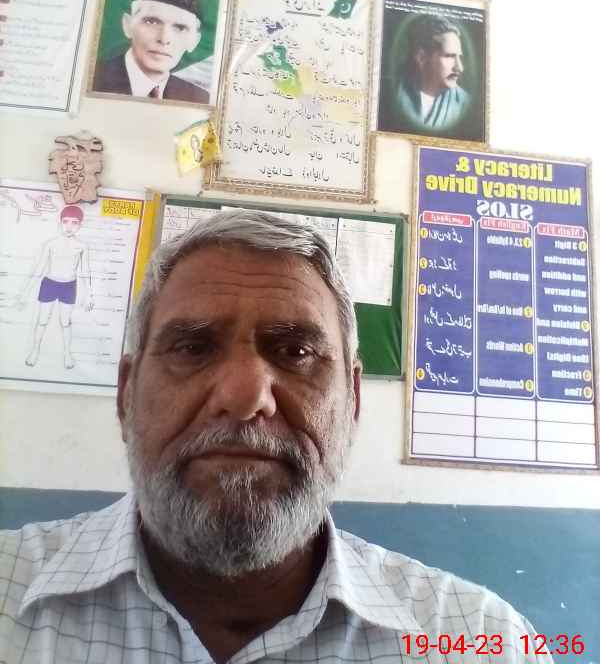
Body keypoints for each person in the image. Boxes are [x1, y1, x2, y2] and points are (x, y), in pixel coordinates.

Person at [0, 211, 544, 663]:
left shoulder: (483, 641)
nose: (244, 396)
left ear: (353, 400)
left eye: (296, 352)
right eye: (192, 348)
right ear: (126, 394)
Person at [93, 0, 209, 104]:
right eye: (151, 22)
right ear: (127, 25)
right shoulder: (92, 79)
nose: (164, 39)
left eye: (180, 28)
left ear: (194, 41)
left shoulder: (199, 99)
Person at [17, 204, 93, 369]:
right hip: (50, 284)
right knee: (42, 320)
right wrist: (25, 293)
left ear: (80, 225)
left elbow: (85, 270)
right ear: (60, 222)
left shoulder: (82, 246)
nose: (69, 226)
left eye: (74, 222)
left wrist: (89, 295)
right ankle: (35, 350)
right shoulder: (51, 244)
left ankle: (67, 353)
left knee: (65, 322)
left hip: (69, 286)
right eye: (66, 221)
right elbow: (39, 268)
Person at [380, 14, 471, 135]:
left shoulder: (464, 103)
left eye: (459, 57)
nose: (460, 68)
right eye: (449, 56)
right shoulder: (389, 94)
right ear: (421, 57)